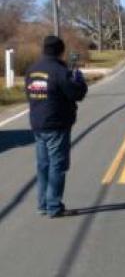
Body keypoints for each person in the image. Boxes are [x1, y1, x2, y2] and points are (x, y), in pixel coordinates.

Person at [25, 35, 88, 218]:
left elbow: (29, 95)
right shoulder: (60, 71)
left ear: (44, 50)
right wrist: (80, 81)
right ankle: (54, 206)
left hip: (38, 123)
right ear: (61, 51)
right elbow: (76, 94)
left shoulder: (32, 69)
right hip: (56, 124)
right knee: (57, 165)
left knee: (43, 165)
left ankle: (43, 204)